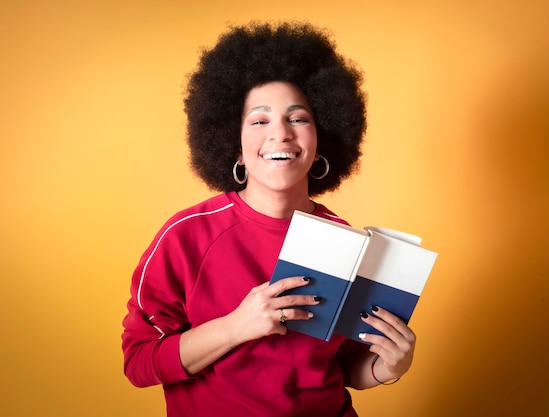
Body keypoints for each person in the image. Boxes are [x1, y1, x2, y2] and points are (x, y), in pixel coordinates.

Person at [122, 21, 416, 417]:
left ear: (320, 141)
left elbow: (345, 366)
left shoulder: (346, 241)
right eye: (259, 121)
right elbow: (140, 363)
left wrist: (389, 366)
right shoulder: (186, 237)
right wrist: (236, 326)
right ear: (235, 147)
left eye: (298, 119)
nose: (281, 133)